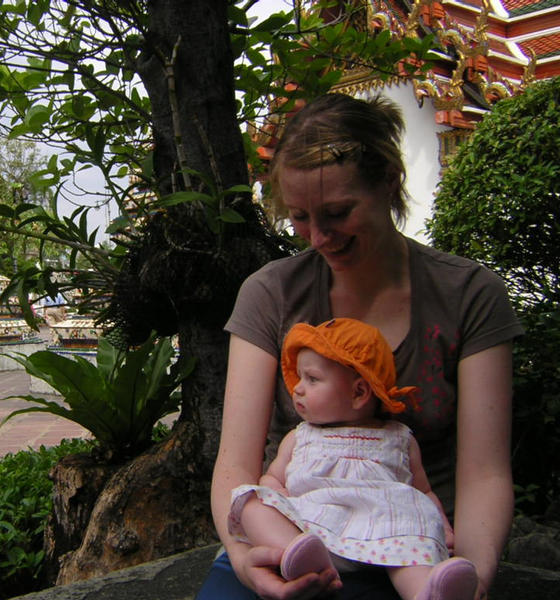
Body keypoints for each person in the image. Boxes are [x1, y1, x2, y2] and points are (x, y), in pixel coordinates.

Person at [197, 93, 523, 600]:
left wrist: (475, 574)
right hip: (295, 540)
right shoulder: (270, 294)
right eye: (301, 217)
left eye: (337, 212)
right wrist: (243, 562)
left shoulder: (468, 295)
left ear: (389, 182)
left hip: (413, 549)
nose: (319, 237)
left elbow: (483, 472)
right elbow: (236, 465)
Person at [229, 318, 478, 600]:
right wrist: (278, 495)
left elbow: (423, 492)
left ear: (359, 392)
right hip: (316, 528)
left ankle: (428, 591)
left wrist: (442, 529)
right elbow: (273, 478)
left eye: (312, 379)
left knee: (414, 539)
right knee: (250, 501)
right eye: (299, 377)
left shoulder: (398, 438)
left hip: (388, 533)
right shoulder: (301, 437)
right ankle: (301, 558)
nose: (297, 388)